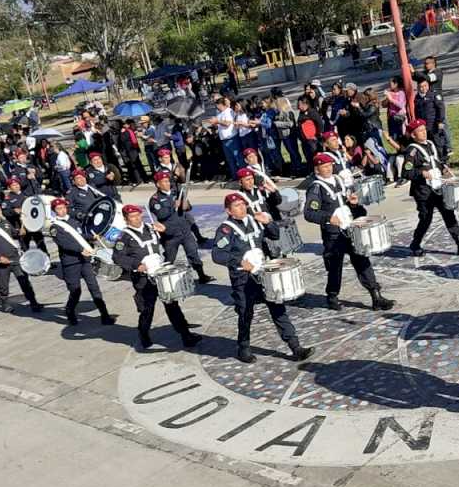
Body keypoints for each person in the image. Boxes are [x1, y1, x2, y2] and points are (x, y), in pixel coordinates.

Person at [211, 193, 314, 364]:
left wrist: (269, 222)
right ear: (228, 210)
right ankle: (243, 347)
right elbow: (217, 254)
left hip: (264, 273)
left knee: (278, 308)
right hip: (243, 278)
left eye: (243, 204)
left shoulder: (255, 220)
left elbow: (274, 235)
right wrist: (239, 261)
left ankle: (295, 347)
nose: (242, 207)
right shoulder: (225, 229)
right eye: (237, 205)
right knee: (245, 313)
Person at [303, 153, 394, 311]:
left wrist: (353, 203)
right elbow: (309, 213)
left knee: (362, 260)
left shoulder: (338, 180)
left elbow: (345, 200)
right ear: (317, 169)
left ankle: (375, 295)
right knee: (335, 266)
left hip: (350, 228)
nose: (328, 168)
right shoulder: (316, 188)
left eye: (330, 165)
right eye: (324, 166)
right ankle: (332, 295)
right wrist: (327, 217)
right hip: (333, 234)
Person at [113, 204, 201, 349]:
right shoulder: (124, 237)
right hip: (143, 278)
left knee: (172, 305)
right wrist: (136, 265)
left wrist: (165, 230)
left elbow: (174, 236)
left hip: (160, 274)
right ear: (126, 219)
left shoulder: (151, 228)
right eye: (132, 217)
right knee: (148, 309)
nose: (136, 219)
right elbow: (117, 257)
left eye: (138, 215)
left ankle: (186, 335)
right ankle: (144, 334)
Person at [401, 119, 459, 257]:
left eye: (424, 129)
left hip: (438, 188)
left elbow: (434, 161)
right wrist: (421, 173)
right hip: (423, 193)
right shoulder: (411, 151)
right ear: (413, 135)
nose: (424, 132)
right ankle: (415, 243)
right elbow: (406, 173)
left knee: (449, 215)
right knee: (425, 219)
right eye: (420, 131)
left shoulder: (430, 144)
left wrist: (443, 168)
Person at [49, 198, 115, 326]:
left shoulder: (73, 222)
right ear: (54, 211)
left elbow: (80, 236)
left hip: (84, 261)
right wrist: (80, 249)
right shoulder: (55, 227)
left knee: (94, 288)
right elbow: (64, 243)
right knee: (75, 291)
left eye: (63, 207)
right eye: (58, 209)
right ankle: (70, 311)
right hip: (71, 262)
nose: (62, 210)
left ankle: (104, 315)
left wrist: (91, 237)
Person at [148, 171, 214, 283]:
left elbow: (188, 207)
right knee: (170, 258)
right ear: (158, 184)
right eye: (164, 181)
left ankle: (201, 275)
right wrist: (173, 206)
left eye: (168, 181)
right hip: (170, 234)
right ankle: (164, 280)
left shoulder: (177, 192)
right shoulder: (155, 199)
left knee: (193, 254)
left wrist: (185, 205)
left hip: (185, 230)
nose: (167, 183)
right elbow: (161, 214)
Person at [0, 203, 43, 314]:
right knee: (3, 284)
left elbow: (14, 234)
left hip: (15, 258)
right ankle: (5, 303)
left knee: (24, 281)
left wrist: (20, 232)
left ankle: (33, 302)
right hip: (1, 261)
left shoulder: (5, 223)